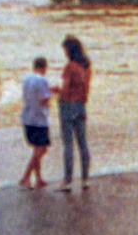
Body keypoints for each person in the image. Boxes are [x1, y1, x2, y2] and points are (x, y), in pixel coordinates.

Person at [58, 36, 92, 192]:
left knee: (68, 144)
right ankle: (85, 179)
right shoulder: (87, 66)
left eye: (65, 49)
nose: (64, 52)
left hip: (68, 105)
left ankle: (68, 180)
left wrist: (56, 92)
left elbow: (65, 89)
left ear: (70, 50)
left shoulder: (70, 67)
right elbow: (86, 88)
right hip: (81, 105)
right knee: (83, 142)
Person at [19, 57, 56, 189]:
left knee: (37, 149)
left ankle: (38, 177)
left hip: (27, 117)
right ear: (44, 67)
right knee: (42, 149)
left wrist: (50, 91)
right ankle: (26, 176)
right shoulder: (42, 80)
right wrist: (53, 95)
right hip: (39, 119)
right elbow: (44, 99)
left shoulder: (27, 79)